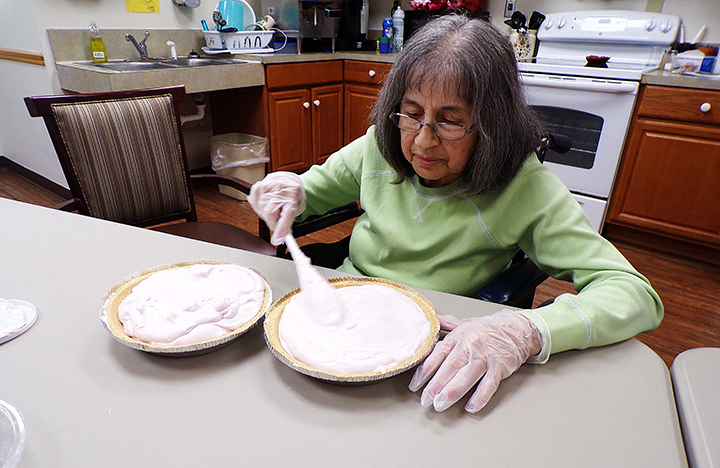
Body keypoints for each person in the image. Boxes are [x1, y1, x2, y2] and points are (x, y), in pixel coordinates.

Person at [248, 15, 663, 413]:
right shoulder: (380, 143)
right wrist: (288, 191)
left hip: (438, 351)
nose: (423, 142)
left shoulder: (523, 185)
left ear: (491, 125)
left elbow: (633, 293)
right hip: (341, 321)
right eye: (412, 113)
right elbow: (311, 192)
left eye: (450, 122)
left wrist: (526, 331)